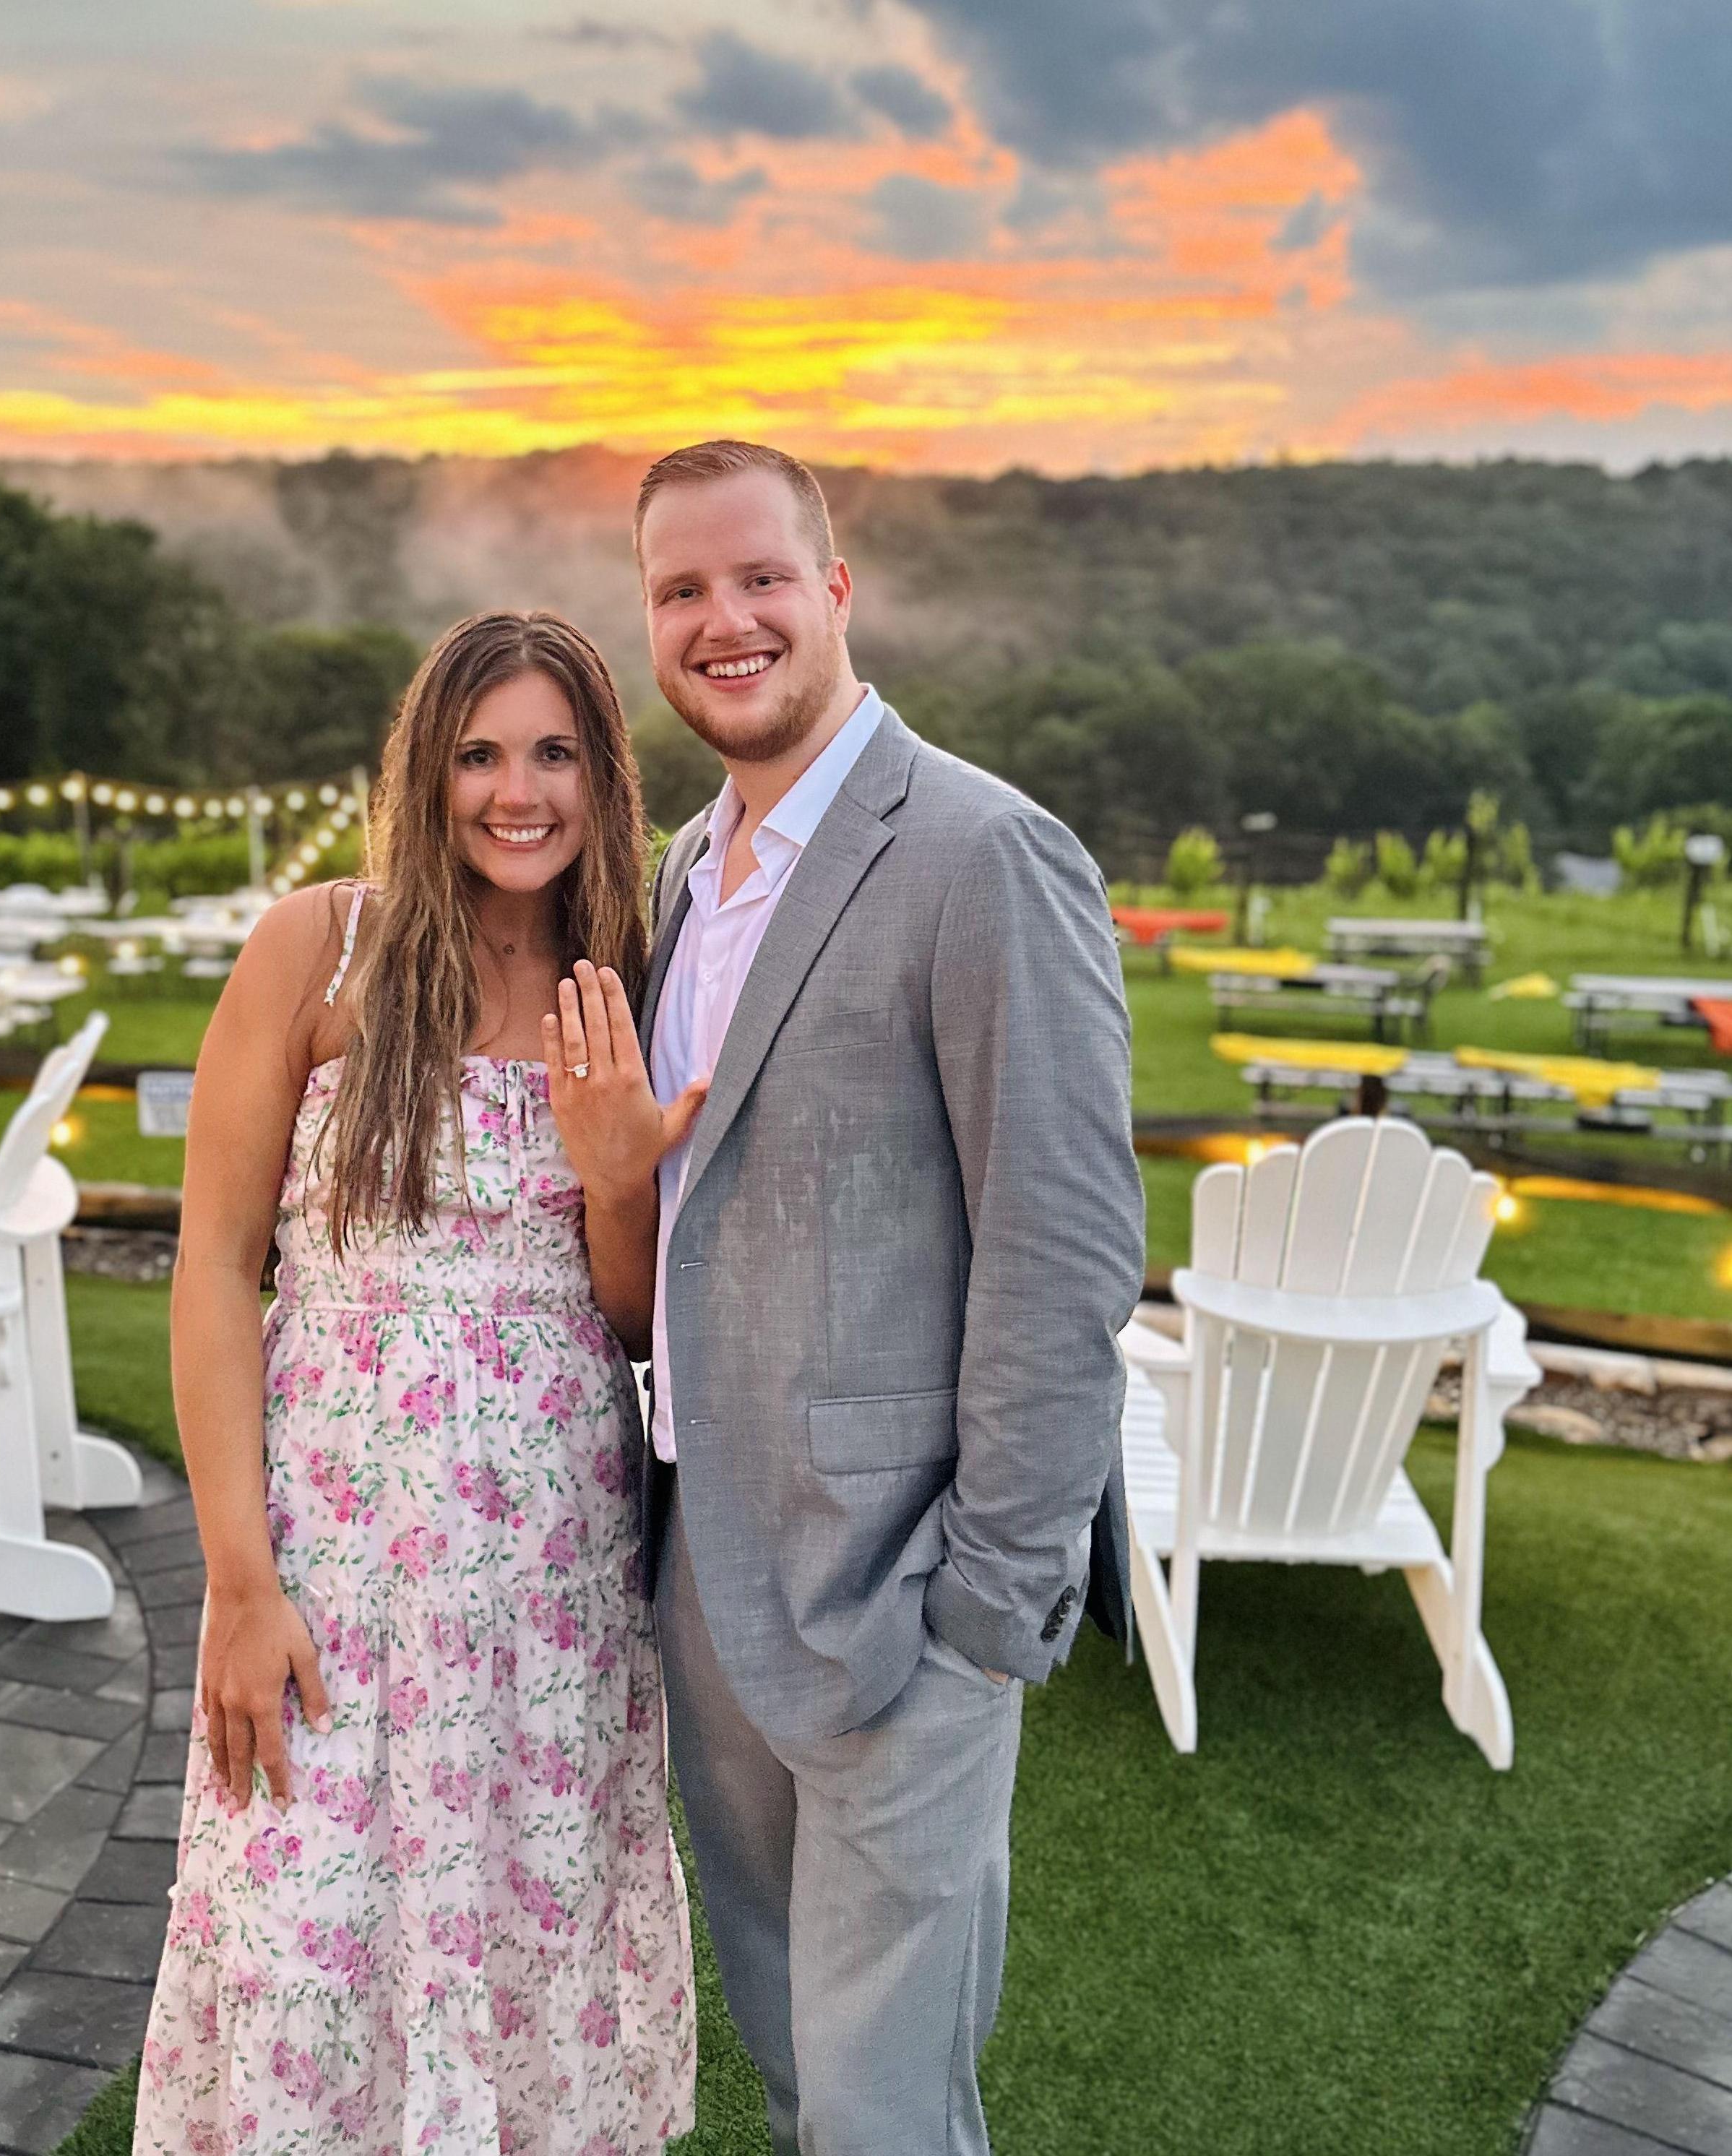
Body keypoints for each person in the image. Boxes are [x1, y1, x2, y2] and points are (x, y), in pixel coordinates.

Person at [629, 439, 1145, 2156]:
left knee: (881, 2109)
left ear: (835, 588)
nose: (724, 619)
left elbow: (1063, 1248)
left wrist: (989, 1605)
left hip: (904, 1592)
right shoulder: (683, 873)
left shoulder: (985, 852)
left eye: (759, 577)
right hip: (711, 1573)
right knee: (793, 2064)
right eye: (681, 590)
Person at [133, 611, 697, 2155]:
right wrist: (239, 1583)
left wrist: (617, 1178)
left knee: (530, 1943)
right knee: (307, 1935)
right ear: (425, 771)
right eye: (478, 755)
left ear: (604, 777)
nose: (517, 792)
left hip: (552, 1589)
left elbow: (631, 1320)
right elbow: (213, 1269)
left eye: (555, 753)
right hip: (334, 1575)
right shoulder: (319, 948)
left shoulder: (625, 979)